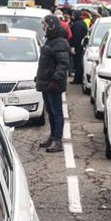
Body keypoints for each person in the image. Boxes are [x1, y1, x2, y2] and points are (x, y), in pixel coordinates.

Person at [36, 15, 70, 152]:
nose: (43, 29)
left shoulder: (59, 43)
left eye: (45, 26)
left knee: (57, 112)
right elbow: (46, 64)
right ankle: (52, 136)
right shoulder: (50, 41)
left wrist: (55, 80)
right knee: (50, 112)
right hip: (46, 83)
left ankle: (58, 140)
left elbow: (63, 64)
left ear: (51, 26)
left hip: (53, 85)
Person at [69, 10, 88, 84]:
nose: (72, 17)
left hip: (78, 47)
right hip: (81, 46)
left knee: (78, 64)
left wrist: (73, 46)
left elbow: (76, 37)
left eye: (73, 15)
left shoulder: (77, 25)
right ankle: (78, 79)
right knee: (79, 64)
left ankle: (77, 79)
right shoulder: (82, 23)